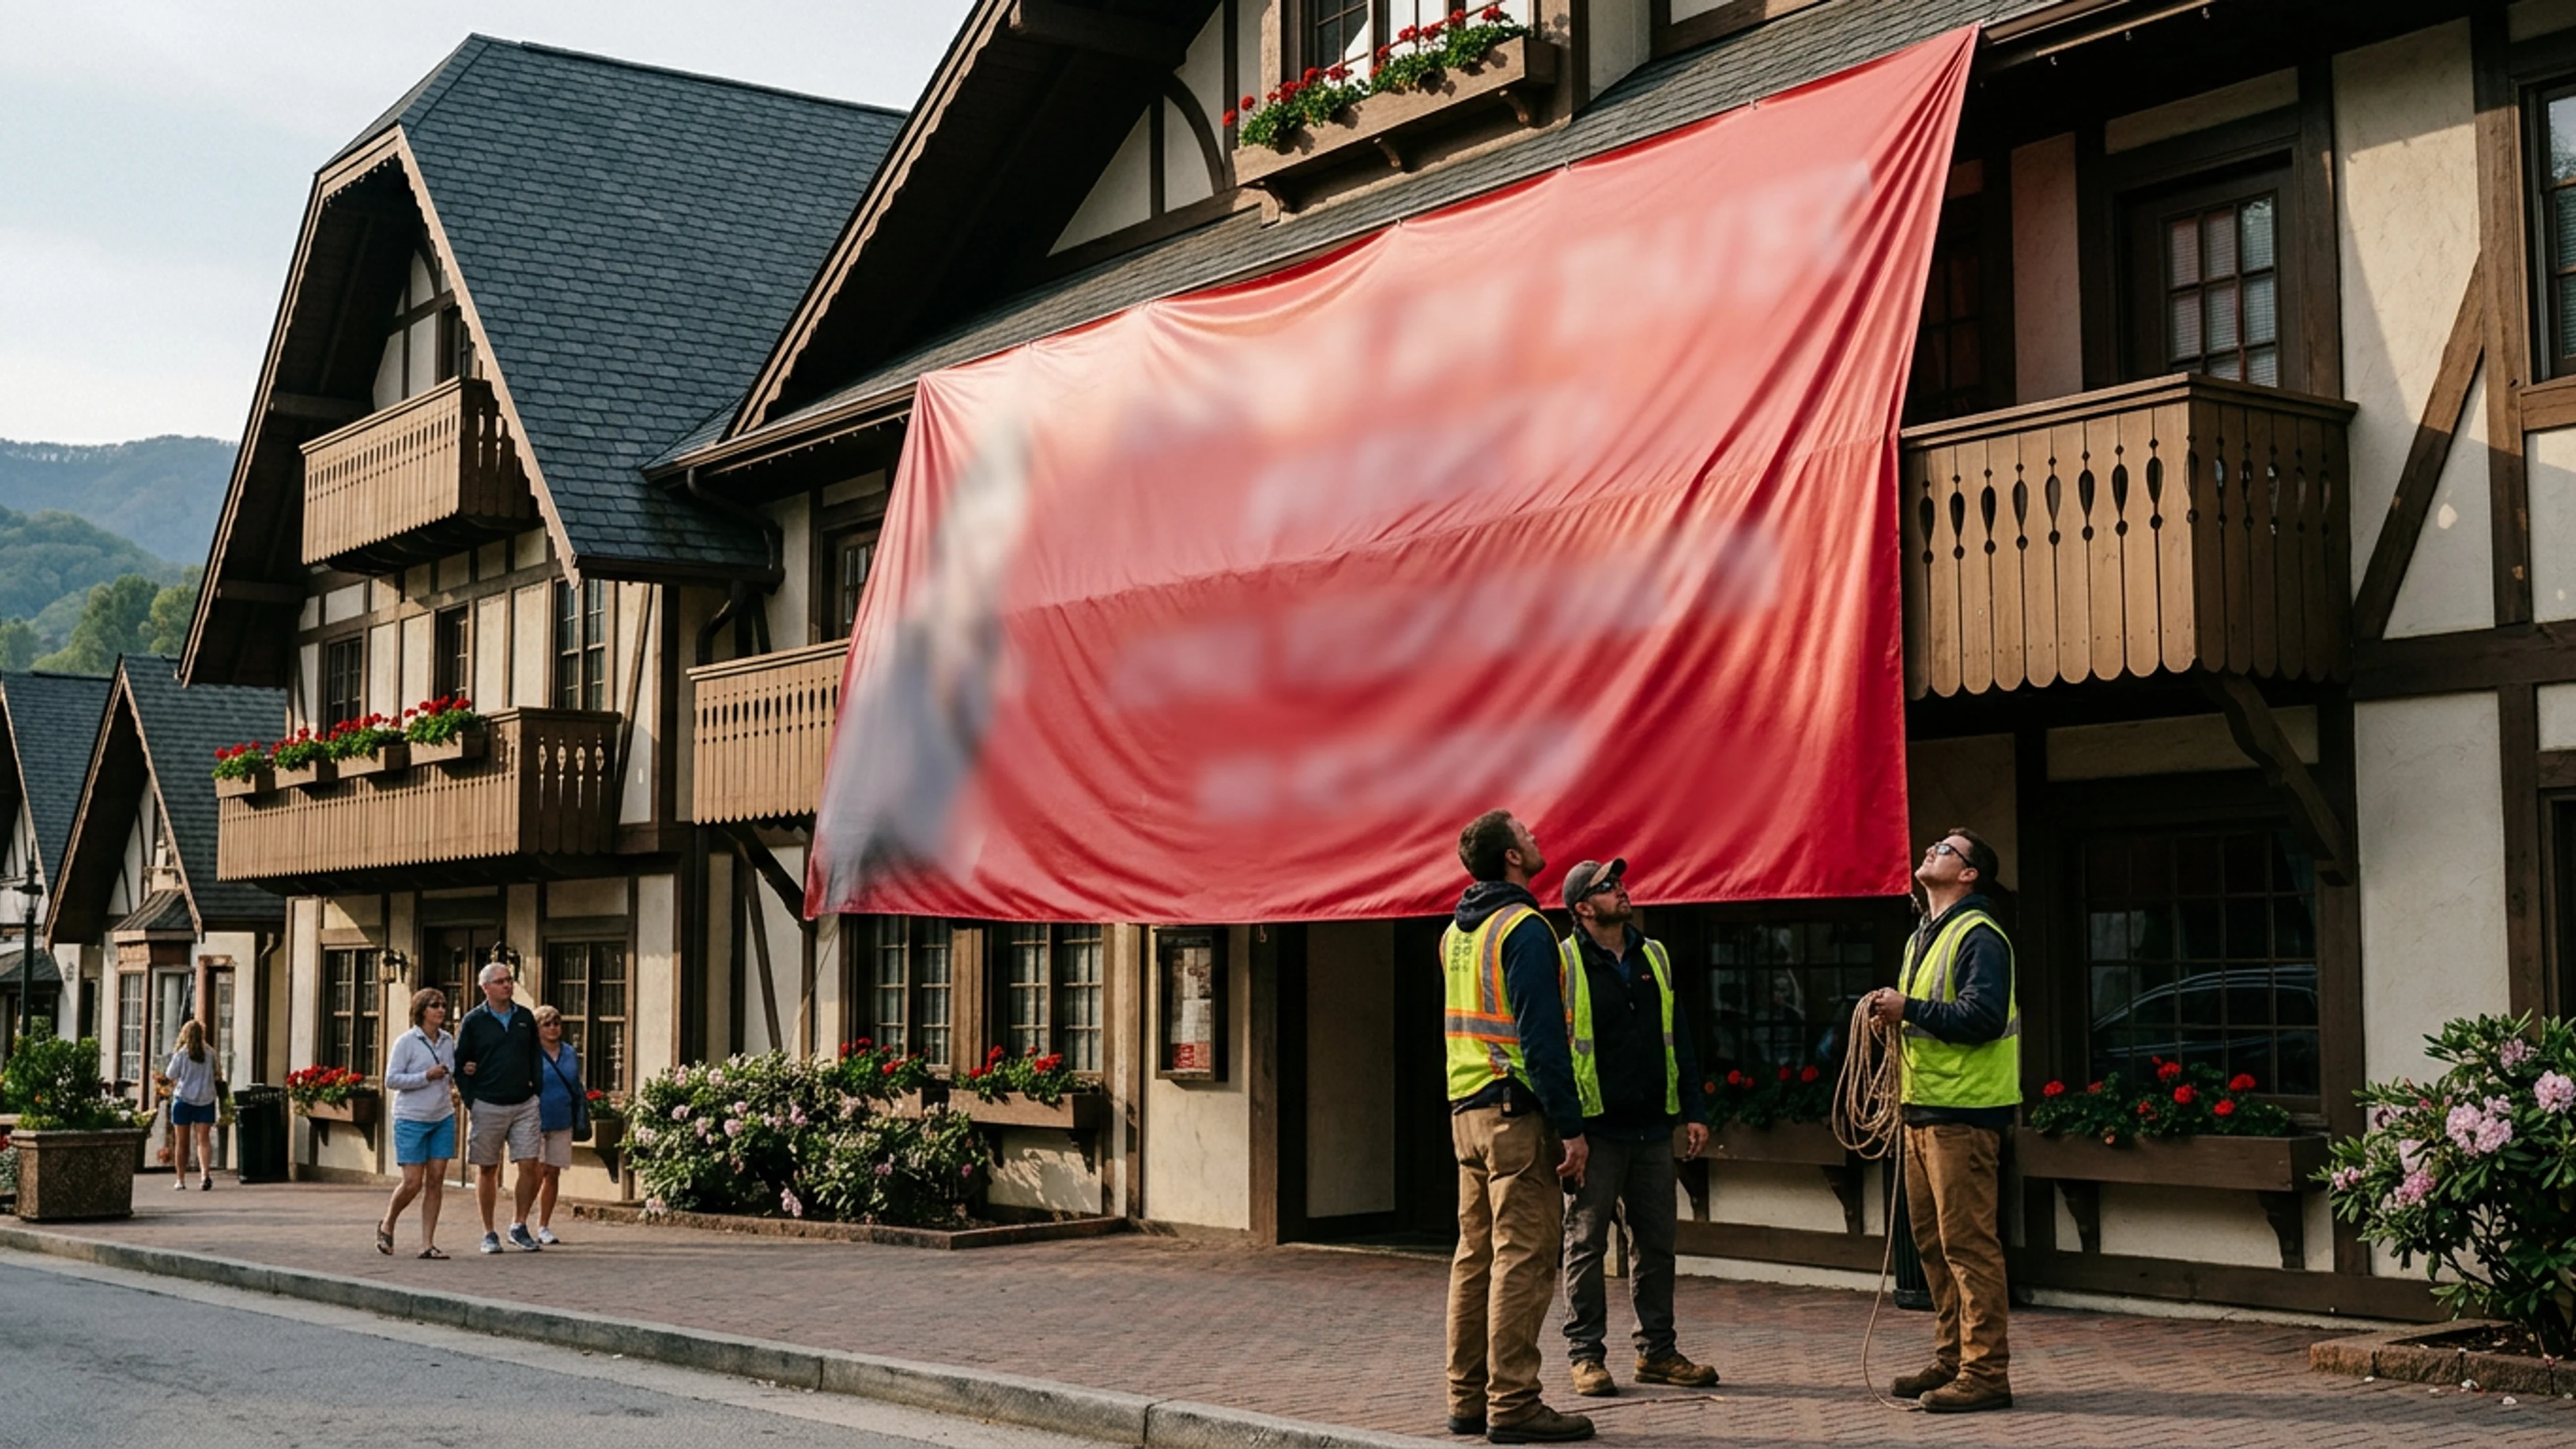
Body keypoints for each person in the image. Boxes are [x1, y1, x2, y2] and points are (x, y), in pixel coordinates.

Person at [1443, 810, 1594, 1445]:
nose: (1536, 839)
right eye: (1527, 834)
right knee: (1525, 1259)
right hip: (1515, 1113)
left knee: (1474, 1258)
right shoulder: (1526, 929)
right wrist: (1572, 1128)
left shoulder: (1456, 932)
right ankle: (1515, 1401)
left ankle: (1466, 1398)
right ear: (1510, 856)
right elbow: (1541, 1041)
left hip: (1466, 1113)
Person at [1865, 827, 2019, 1414]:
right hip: (1922, 1110)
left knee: (1969, 1246)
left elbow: (1981, 1016)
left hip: (1964, 1114)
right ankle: (1953, 1356)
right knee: (1932, 1244)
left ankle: (1985, 1373)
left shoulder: (1981, 934)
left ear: (1970, 874)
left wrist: (1910, 1009)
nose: (1932, 850)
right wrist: (1896, 1019)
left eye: (1946, 850)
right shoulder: (1922, 937)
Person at [1552, 859, 1719, 1398]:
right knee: (1585, 1243)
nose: (1622, 891)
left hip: (1651, 1126)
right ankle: (1586, 1357)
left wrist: (1693, 1108)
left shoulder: (1655, 955)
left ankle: (1658, 1352)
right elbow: (1551, 1050)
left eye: (1620, 884)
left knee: (1656, 1244)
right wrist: (1566, 1126)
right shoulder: (1565, 962)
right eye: (1608, 887)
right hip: (1595, 1129)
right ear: (1583, 907)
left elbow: (1680, 1036)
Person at [455, 959, 545, 1254]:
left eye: (509, 980)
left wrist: (536, 1090)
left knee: (530, 1164)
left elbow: (535, 1056)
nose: (508, 985)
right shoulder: (474, 1021)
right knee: (488, 1168)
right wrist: (472, 1100)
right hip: (488, 1104)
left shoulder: (525, 1018)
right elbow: (460, 1063)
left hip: (524, 1103)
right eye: (501, 981)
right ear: (485, 988)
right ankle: (489, 1232)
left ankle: (519, 1225)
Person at [380, 988, 458, 1258]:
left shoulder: (448, 1041)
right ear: (422, 1010)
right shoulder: (406, 1042)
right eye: (435, 1005)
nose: (441, 1010)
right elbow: (391, 1080)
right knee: (413, 1182)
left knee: (436, 1180)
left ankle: (427, 1243)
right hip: (411, 1118)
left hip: (442, 1116)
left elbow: (452, 1072)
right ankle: (388, 1222)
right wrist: (426, 1075)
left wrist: (462, 1075)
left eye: (444, 1005)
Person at [531, 1005, 590, 1246]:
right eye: (547, 1024)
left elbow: (575, 1084)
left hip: (562, 1118)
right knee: (535, 1172)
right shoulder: (530, 1053)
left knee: (553, 1172)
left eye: (556, 1023)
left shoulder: (568, 1052)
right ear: (537, 1029)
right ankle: (520, 1220)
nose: (553, 1028)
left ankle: (544, 1225)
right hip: (534, 1118)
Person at [163, 1020, 219, 1191]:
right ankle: (205, 1175)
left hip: (183, 1100)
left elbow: (170, 1074)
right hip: (206, 1099)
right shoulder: (210, 1053)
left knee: (182, 1142)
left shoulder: (181, 1054)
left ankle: (181, 1180)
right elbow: (217, 1073)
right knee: (203, 1140)